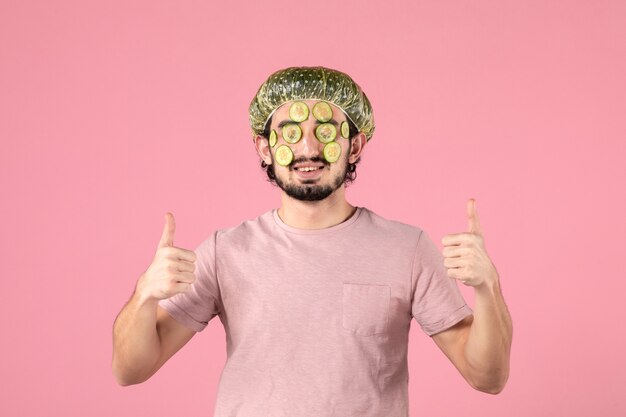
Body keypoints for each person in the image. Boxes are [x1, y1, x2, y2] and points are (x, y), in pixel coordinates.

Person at [112, 66, 513, 416]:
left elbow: (487, 377)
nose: (308, 149)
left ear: (354, 146)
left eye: (325, 131)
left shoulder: (407, 249)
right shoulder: (225, 252)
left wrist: (488, 288)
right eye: (289, 132)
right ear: (264, 148)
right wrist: (144, 296)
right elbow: (131, 370)